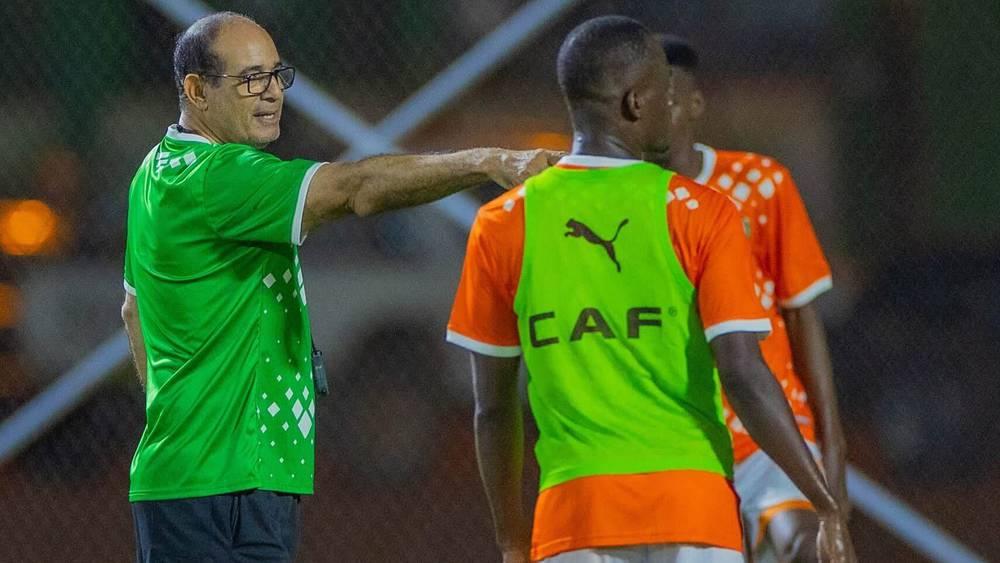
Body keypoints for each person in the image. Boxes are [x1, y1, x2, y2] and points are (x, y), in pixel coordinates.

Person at [121, 11, 558, 562]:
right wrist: (487, 160)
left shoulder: (154, 172)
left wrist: (177, 417)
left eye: (278, 75)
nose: (273, 93)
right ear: (195, 90)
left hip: (207, 475)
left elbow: (132, 312)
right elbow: (357, 190)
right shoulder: (217, 177)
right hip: (224, 488)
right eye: (252, 79)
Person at [446, 15, 853, 563]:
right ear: (637, 103)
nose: (674, 104)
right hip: (694, 514)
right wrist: (825, 502)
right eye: (665, 90)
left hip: (575, 518)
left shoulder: (502, 222)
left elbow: (492, 409)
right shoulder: (703, 213)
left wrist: (512, 539)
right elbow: (742, 372)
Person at [657, 34, 850, 562]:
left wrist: (833, 455)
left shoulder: (759, 185)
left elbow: (802, 318)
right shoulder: (618, 204)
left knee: (809, 549)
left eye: (667, 96)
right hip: (674, 440)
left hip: (768, 431)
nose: (653, 111)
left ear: (694, 105)